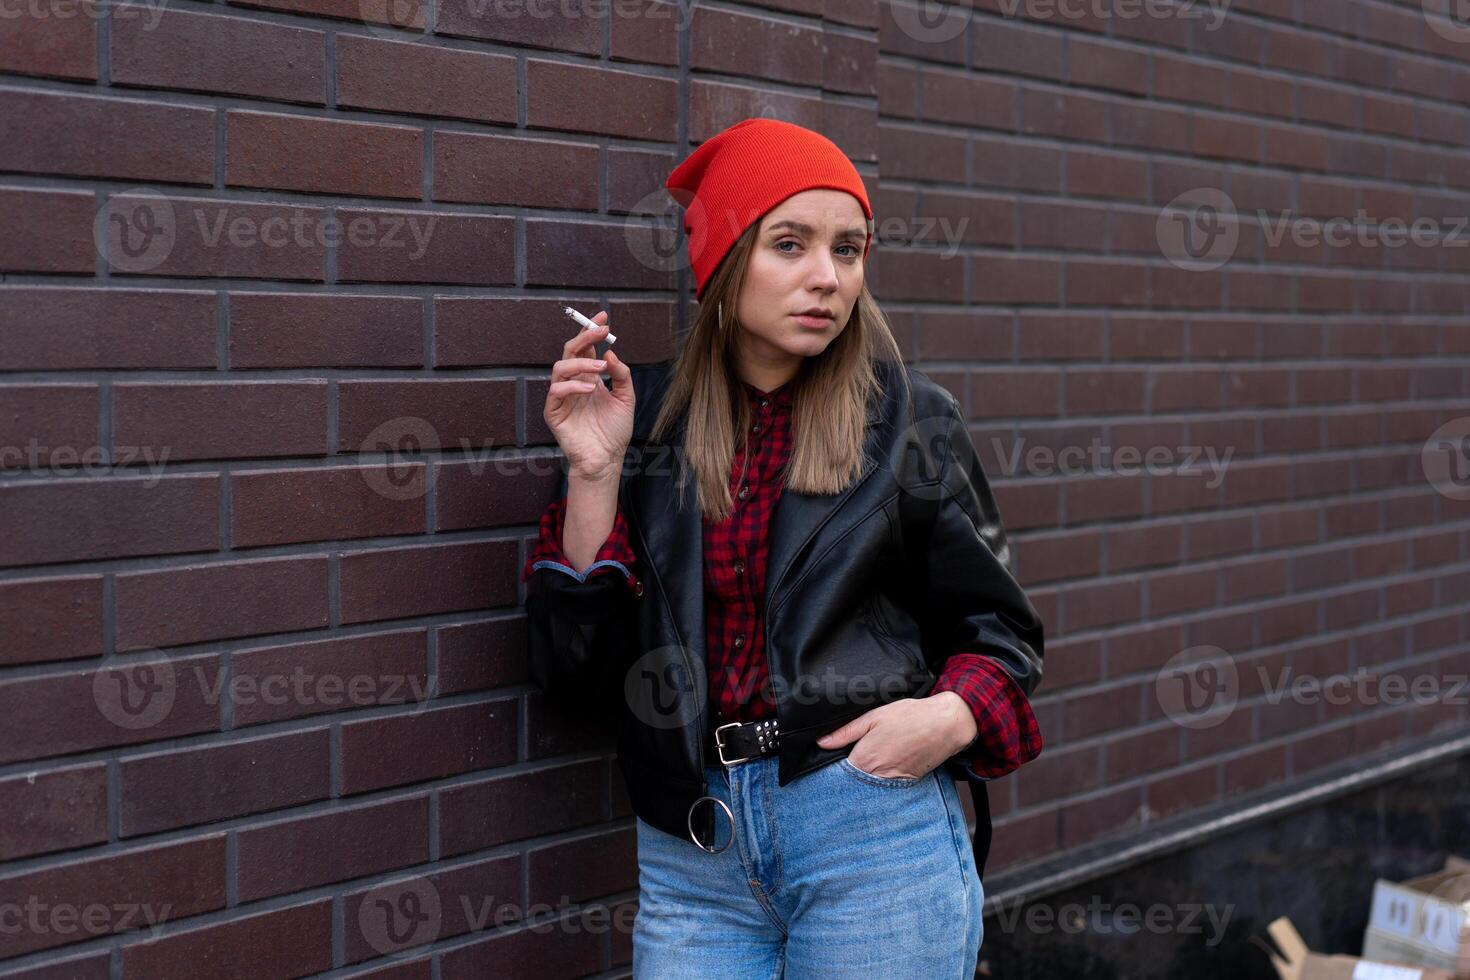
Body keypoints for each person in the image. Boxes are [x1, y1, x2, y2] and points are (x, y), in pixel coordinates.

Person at [520, 117, 1045, 977]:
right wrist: (592, 473)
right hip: (694, 849)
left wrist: (938, 721)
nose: (825, 278)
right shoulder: (640, 422)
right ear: (724, 268)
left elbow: (1003, 635)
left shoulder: (911, 422)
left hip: (865, 826)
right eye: (790, 244)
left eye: (848, 249)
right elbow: (575, 672)